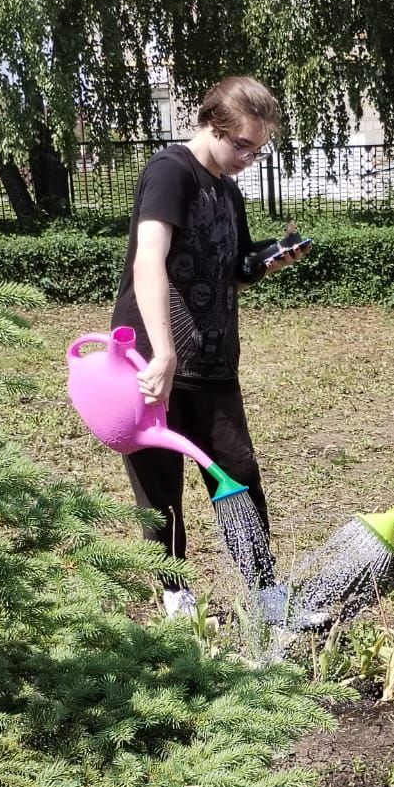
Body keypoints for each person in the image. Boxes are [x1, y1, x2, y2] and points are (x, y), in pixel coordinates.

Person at [111, 76, 308, 616]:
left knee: (236, 473)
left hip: (214, 355)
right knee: (160, 483)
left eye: (257, 148)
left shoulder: (227, 189)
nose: (249, 156)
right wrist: (164, 353)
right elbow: (148, 259)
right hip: (155, 357)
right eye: (241, 144)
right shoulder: (169, 172)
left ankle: (266, 595)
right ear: (210, 123)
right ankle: (177, 599)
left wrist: (270, 259)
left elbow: (235, 268)